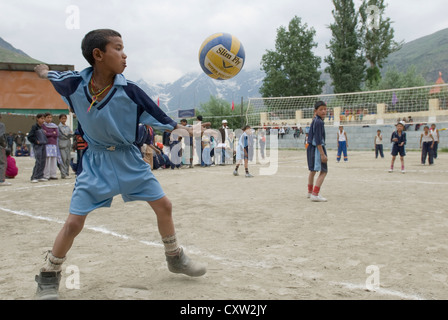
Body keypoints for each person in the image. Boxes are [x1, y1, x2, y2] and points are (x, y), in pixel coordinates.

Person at [33, 29, 206, 300]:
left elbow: (163, 120)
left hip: (130, 159)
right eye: (118, 48)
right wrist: (42, 71)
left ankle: (175, 257)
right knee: (74, 223)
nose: (125, 54)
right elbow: (51, 76)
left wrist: (190, 131)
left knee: (164, 206)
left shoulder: (131, 91)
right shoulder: (73, 83)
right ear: (98, 55)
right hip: (95, 162)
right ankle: (48, 275)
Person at [307, 101, 328, 202]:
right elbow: (318, 140)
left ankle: (310, 192)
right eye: (321, 109)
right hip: (317, 148)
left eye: (325, 109)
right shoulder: (319, 122)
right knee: (324, 171)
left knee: (313, 171)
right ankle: (315, 194)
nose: (324, 111)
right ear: (316, 111)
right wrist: (322, 154)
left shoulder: (315, 120)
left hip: (311, 147)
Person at [28, 113, 48, 183]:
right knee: (38, 160)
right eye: (41, 118)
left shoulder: (42, 127)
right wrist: (36, 142)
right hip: (38, 146)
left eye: (43, 119)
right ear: (37, 119)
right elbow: (30, 137)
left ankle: (40, 175)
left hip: (43, 145)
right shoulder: (34, 127)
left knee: (43, 160)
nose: (43, 120)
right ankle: (34, 176)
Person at [42, 113, 60, 180]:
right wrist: (52, 133)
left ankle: (53, 174)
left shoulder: (54, 126)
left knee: (53, 160)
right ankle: (46, 175)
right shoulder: (43, 125)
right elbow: (44, 134)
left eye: (50, 117)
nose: (49, 119)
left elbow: (57, 134)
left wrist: (49, 133)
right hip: (47, 144)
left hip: (54, 145)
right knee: (47, 160)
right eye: (48, 117)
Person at [58, 114, 74, 179]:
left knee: (68, 159)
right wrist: (67, 135)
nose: (64, 120)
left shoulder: (67, 127)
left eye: (65, 118)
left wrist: (68, 135)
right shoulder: (58, 127)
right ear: (60, 119)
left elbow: (71, 133)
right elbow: (61, 135)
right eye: (62, 118)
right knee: (63, 159)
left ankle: (67, 173)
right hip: (62, 144)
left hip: (68, 144)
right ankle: (63, 173)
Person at [0, 114, 11, 186]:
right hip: (0, 146)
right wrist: (3, 144)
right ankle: (1, 180)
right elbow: (1, 135)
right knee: (2, 162)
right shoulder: (1, 125)